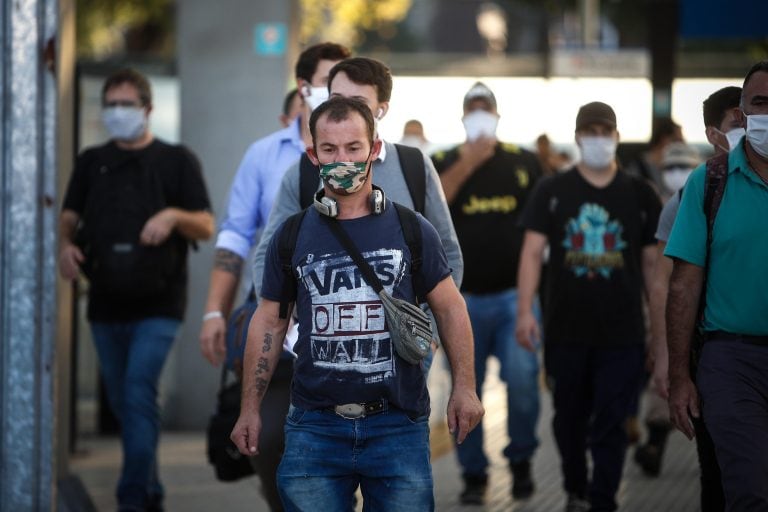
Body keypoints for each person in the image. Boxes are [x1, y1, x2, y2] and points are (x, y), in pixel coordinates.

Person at [231, 96, 484, 511]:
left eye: (353, 148)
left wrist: (466, 388)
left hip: (397, 425)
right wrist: (250, 409)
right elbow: (270, 322)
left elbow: (450, 307)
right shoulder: (291, 236)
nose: (342, 159)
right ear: (313, 155)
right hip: (314, 428)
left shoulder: (411, 228)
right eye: (329, 150)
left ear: (373, 148)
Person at [198, 42, 351, 511]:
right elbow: (234, 237)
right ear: (304, 87)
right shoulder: (265, 156)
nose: (336, 93)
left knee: (353, 445)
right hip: (276, 314)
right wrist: (213, 313)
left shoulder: (370, 157)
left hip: (347, 318)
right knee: (268, 437)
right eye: (327, 83)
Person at [58, 68, 214, 512]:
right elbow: (68, 216)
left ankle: (131, 500)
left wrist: (171, 217)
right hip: (104, 303)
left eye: (127, 105)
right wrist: (66, 246)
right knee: (130, 406)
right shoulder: (92, 162)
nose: (118, 113)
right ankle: (150, 493)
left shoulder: (177, 161)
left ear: (148, 109)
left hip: (159, 305)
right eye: (112, 105)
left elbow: (205, 222)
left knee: (137, 391)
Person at [516, 101, 661, 512]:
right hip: (566, 331)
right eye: (590, 131)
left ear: (616, 137)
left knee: (612, 423)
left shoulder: (639, 194)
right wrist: (525, 312)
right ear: (578, 137)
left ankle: (603, 500)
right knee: (568, 420)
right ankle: (576, 488)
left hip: (624, 332)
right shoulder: (552, 190)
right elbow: (531, 254)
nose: (598, 139)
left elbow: (653, 268)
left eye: (606, 131)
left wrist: (661, 334)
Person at [251, 56, 463, 308]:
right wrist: (294, 323)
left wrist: (425, 333)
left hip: (404, 344)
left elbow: (447, 253)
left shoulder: (414, 166)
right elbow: (269, 256)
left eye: (358, 102)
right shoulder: (303, 172)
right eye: (337, 99)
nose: (345, 110)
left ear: (381, 109)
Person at [431, 81, 542, 505]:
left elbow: (538, 235)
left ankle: (522, 461)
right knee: (464, 389)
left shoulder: (523, 162)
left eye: (485, 108)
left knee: (524, 382)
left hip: (516, 297)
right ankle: (474, 474)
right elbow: (434, 205)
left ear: (496, 115)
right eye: (472, 108)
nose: (479, 114)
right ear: (462, 117)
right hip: (461, 302)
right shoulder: (441, 161)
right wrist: (469, 161)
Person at [666, 61, 768, 511]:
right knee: (749, 490)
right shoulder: (709, 182)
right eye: (761, 103)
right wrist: (678, 376)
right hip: (731, 361)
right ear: (743, 113)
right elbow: (682, 287)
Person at [644, 85, 740, 511]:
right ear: (714, 133)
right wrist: (668, 361)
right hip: (712, 352)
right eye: (739, 122)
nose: (754, 127)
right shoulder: (694, 194)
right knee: (718, 466)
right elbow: (666, 283)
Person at [632, 141, 700, 476]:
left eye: (684, 167)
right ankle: (651, 435)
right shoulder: (658, 206)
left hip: (697, 313)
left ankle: (655, 438)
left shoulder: (704, 200)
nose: (677, 174)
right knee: (657, 373)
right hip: (654, 308)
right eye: (671, 168)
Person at [624, 116, 684, 199]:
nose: (682, 145)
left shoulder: (678, 168)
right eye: (678, 140)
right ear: (664, 139)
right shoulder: (637, 168)